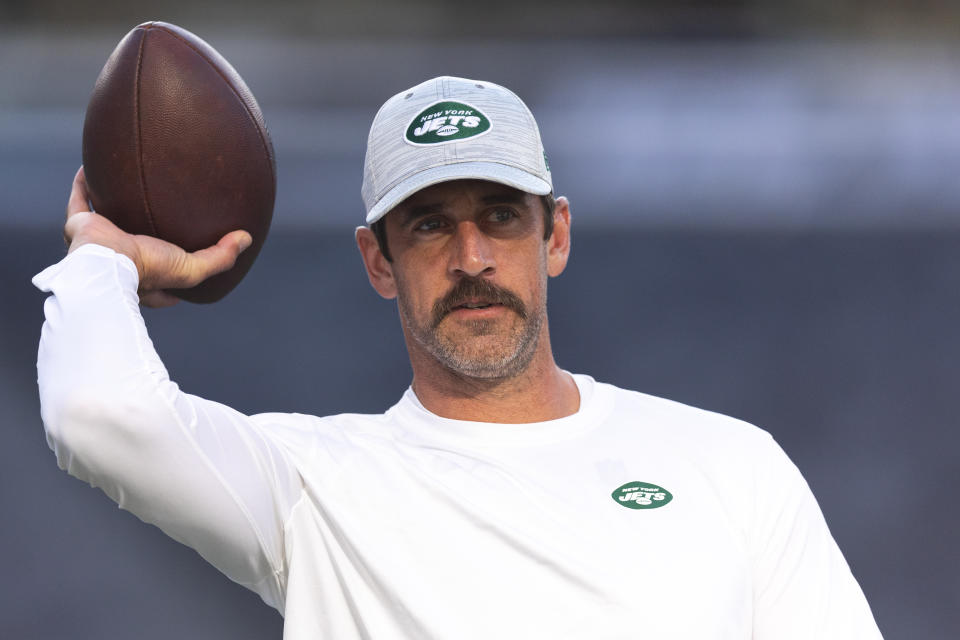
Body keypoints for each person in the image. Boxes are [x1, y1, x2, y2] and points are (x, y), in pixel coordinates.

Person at [35, 76, 882, 639]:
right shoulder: (314, 489)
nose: (471, 256)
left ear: (554, 236)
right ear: (378, 261)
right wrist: (103, 257)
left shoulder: (729, 465)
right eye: (431, 224)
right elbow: (95, 414)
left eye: (501, 216)